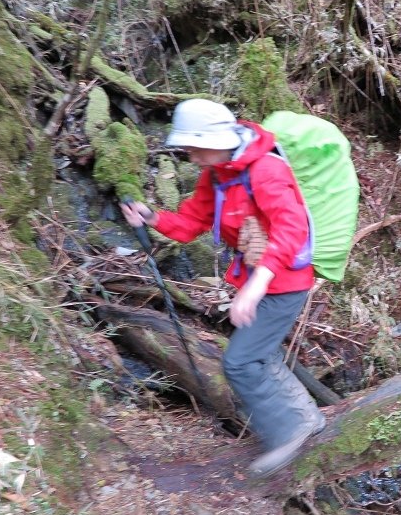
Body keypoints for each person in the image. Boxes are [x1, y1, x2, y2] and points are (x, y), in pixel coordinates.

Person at [120, 98, 325, 479]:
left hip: (283, 284)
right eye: (187, 148)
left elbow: (291, 229)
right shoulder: (217, 175)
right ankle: (305, 417)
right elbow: (191, 223)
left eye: (194, 147)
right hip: (258, 282)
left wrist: (257, 285)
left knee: (240, 362)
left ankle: (291, 433)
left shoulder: (265, 171)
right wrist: (151, 217)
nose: (190, 155)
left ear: (215, 139)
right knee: (259, 355)